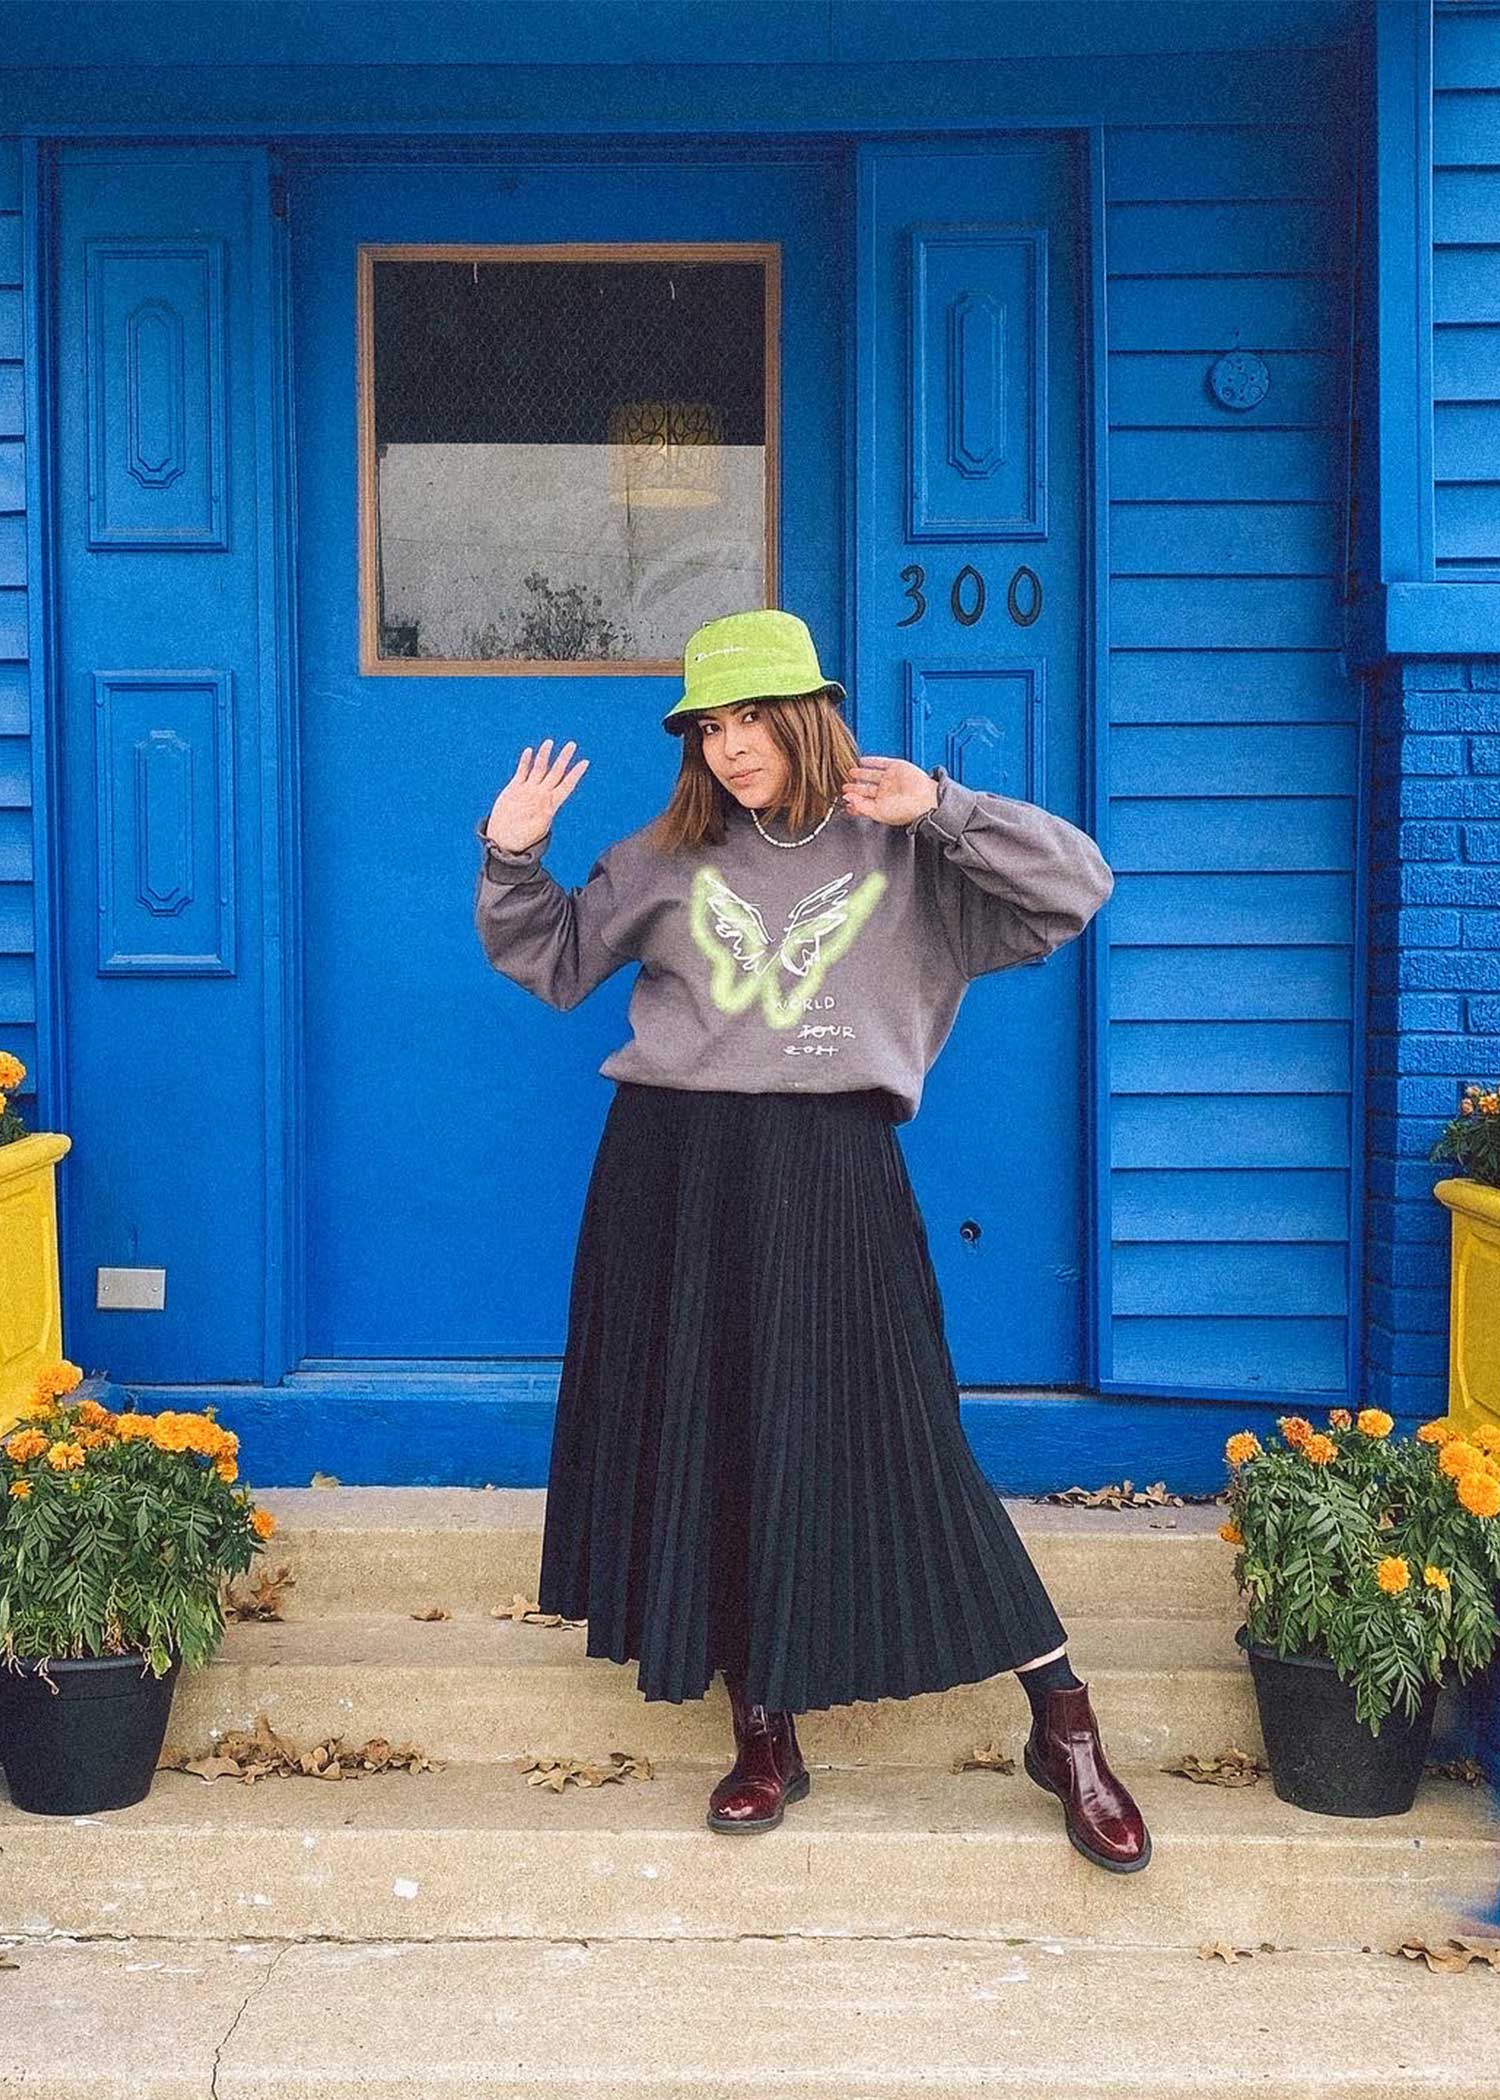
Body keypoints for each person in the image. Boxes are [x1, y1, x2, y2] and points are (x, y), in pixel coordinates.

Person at [472, 607, 1150, 1873]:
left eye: (750, 721)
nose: (730, 750)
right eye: (709, 728)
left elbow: (1076, 886)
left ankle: (1062, 1724)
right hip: (672, 1172)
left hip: (835, 1168)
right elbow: (556, 961)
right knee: (720, 1439)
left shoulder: (905, 853)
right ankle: (764, 1729)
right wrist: (513, 859)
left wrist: (940, 804)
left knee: (910, 1441)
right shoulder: (669, 853)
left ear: (807, 715)